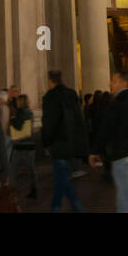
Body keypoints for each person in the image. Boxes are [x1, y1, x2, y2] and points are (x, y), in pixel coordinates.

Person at [89, 72, 128, 213]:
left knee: (127, 203)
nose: (110, 84)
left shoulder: (118, 103)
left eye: (113, 81)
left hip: (123, 156)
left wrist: (95, 150)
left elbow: (106, 129)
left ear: (123, 83)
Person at [40, 70, 87, 213]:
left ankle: (72, 206)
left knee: (63, 179)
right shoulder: (71, 94)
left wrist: (46, 141)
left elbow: (49, 122)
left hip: (58, 143)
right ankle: (57, 207)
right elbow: (79, 120)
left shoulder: (50, 97)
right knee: (62, 177)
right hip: (71, 142)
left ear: (50, 81)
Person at [8, 93, 38, 201]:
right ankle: (34, 190)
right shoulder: (30, 112)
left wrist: (12, 119)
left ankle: (12, 192)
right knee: (31, 169)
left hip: (20, 144)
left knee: (12, 169)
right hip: (30, 144)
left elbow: (18, 126)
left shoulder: (20, 112)